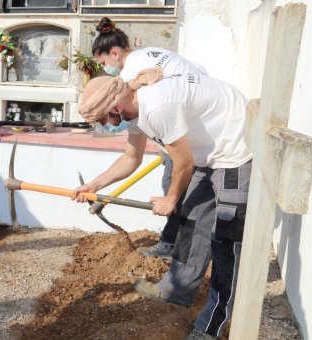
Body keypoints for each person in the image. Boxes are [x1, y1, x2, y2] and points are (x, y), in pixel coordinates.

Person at [73, 74, 252, 340]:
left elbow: (184, 164)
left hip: (234, 149)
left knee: (226, 241)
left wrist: (170, 200)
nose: (103, 124)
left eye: (102, 118)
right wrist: (94, 185)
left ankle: (212, 325)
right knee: (191, 221)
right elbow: (130, 159)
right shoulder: (136, 111)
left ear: (114, 106)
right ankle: (177, 290)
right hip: (206, 152)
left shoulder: (156, 107)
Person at [91, 17, 208, 259]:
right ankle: (177, 244)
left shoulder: (130, 76)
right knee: (177, 184)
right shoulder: (147, 54)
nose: (106, 69)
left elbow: (133, 153)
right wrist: (95, 185)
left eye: (103, 62)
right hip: (200, 113)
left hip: (194, 127)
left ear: (114, 53)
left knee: (174, 187)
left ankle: (174, 247)